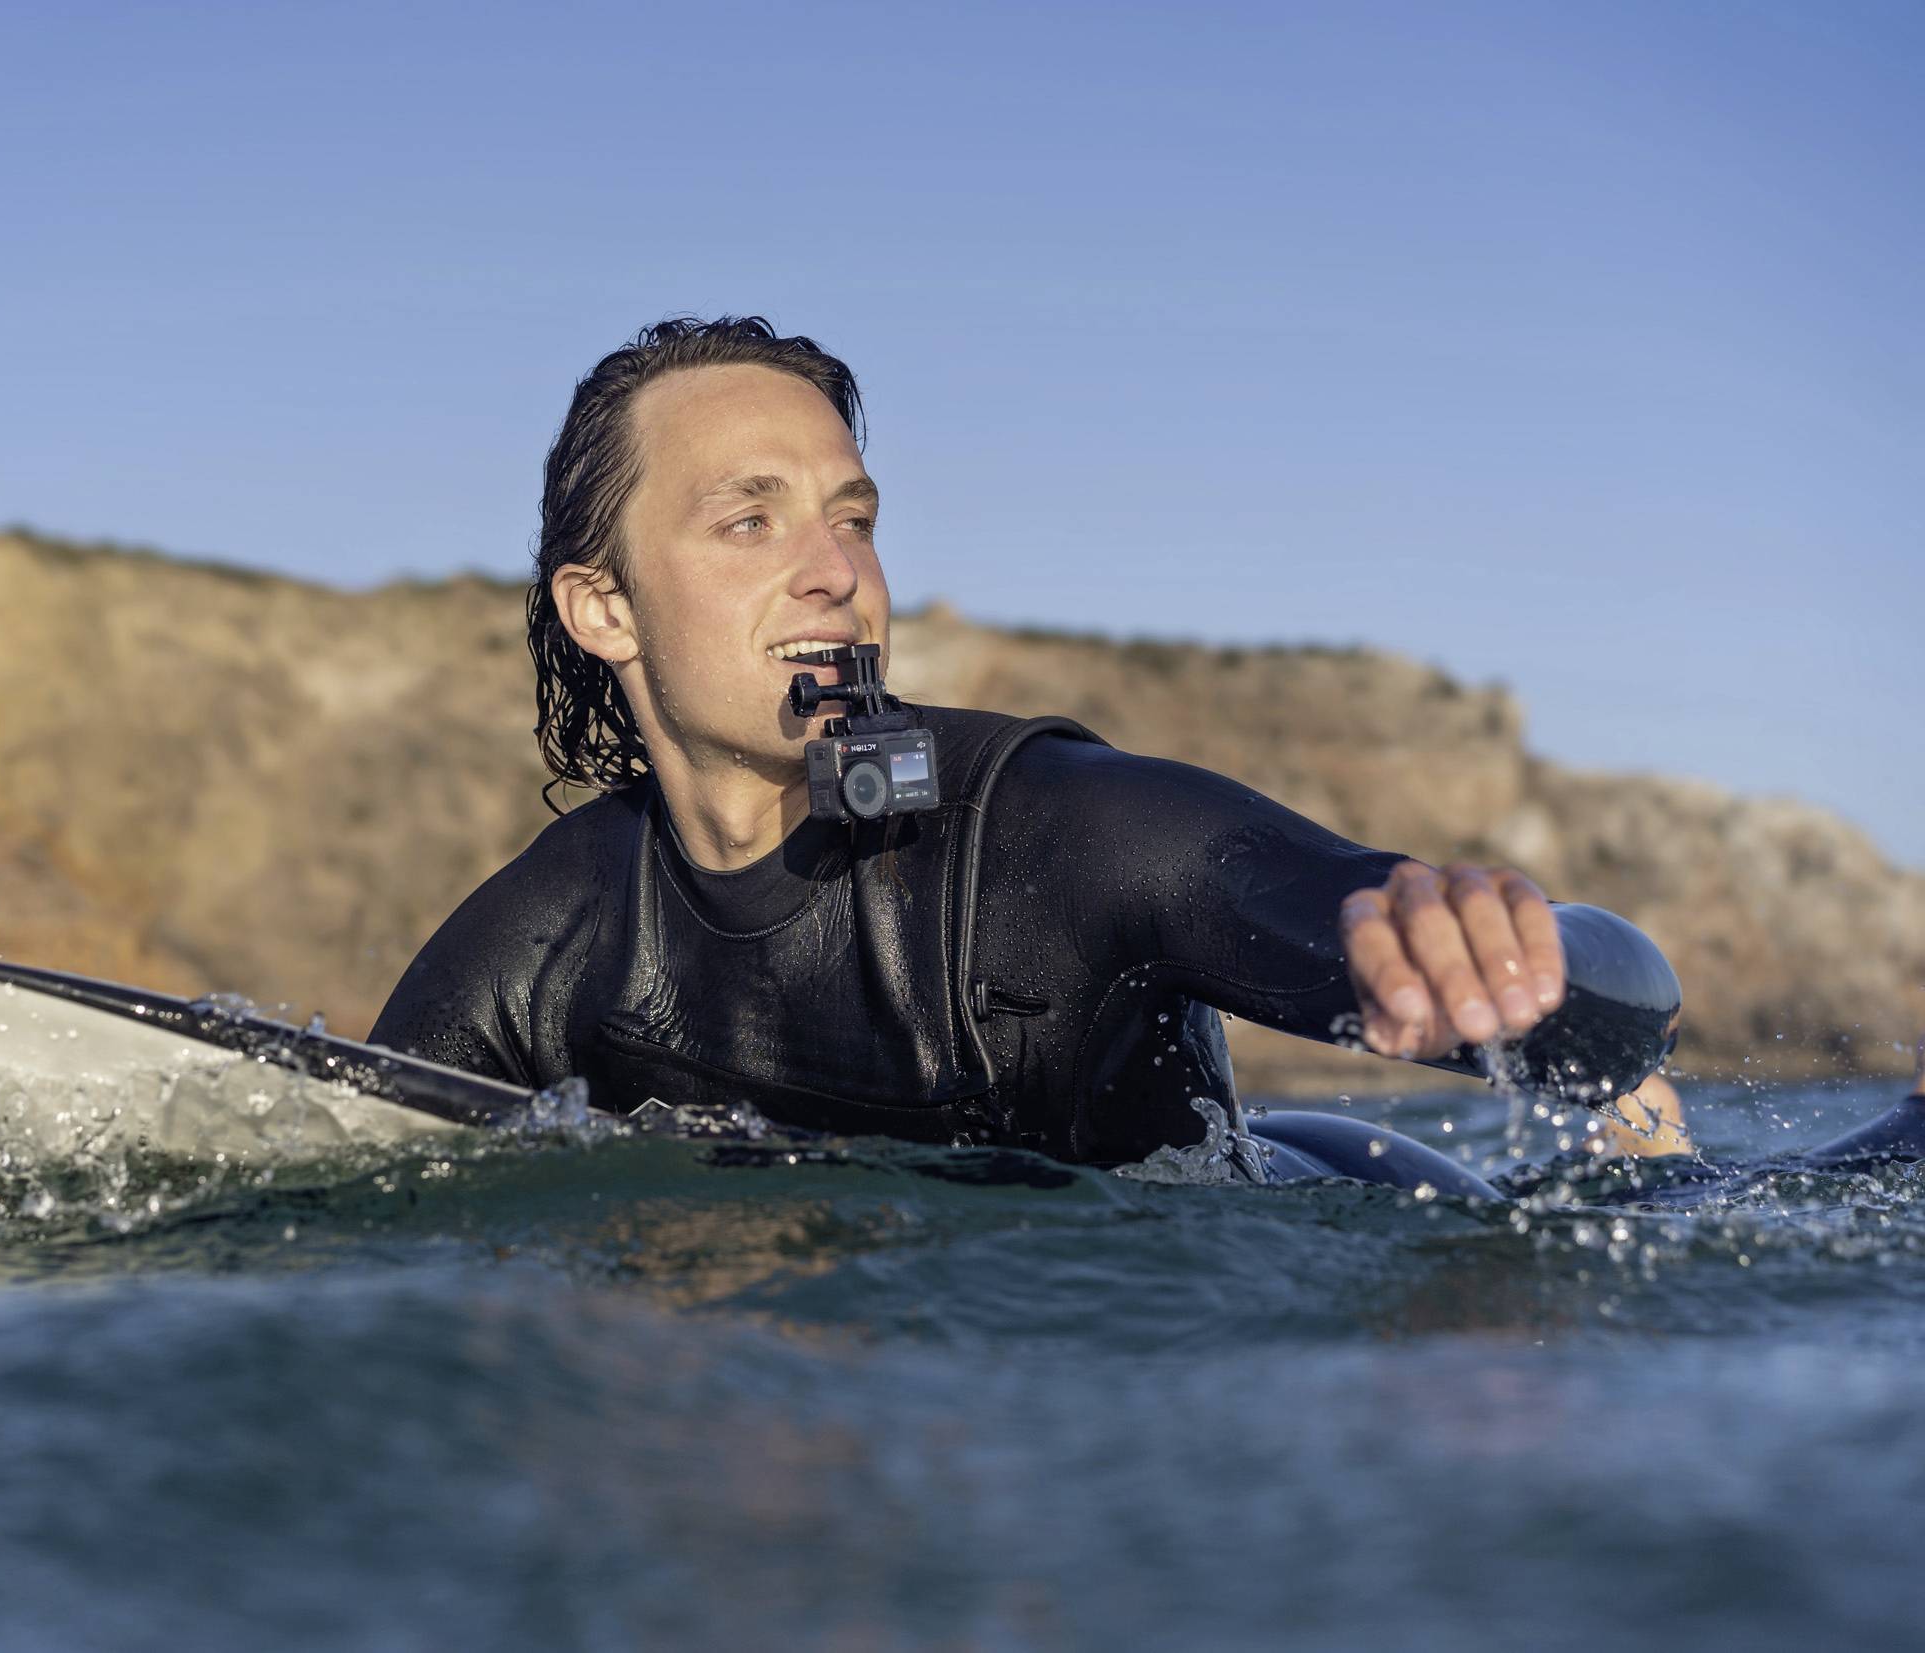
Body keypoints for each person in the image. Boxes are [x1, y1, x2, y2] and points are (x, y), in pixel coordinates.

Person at [372, 317, 1671, 1174]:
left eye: (854, 519)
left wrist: (1509, 948)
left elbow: (1610, 1009)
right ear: (605, 608)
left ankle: (1814, 1132)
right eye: (749, 523)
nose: (836, 574)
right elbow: (327, 1159)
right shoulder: (554, 932)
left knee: (1701, 1184)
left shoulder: (1061, 833)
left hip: (1333, 1204)